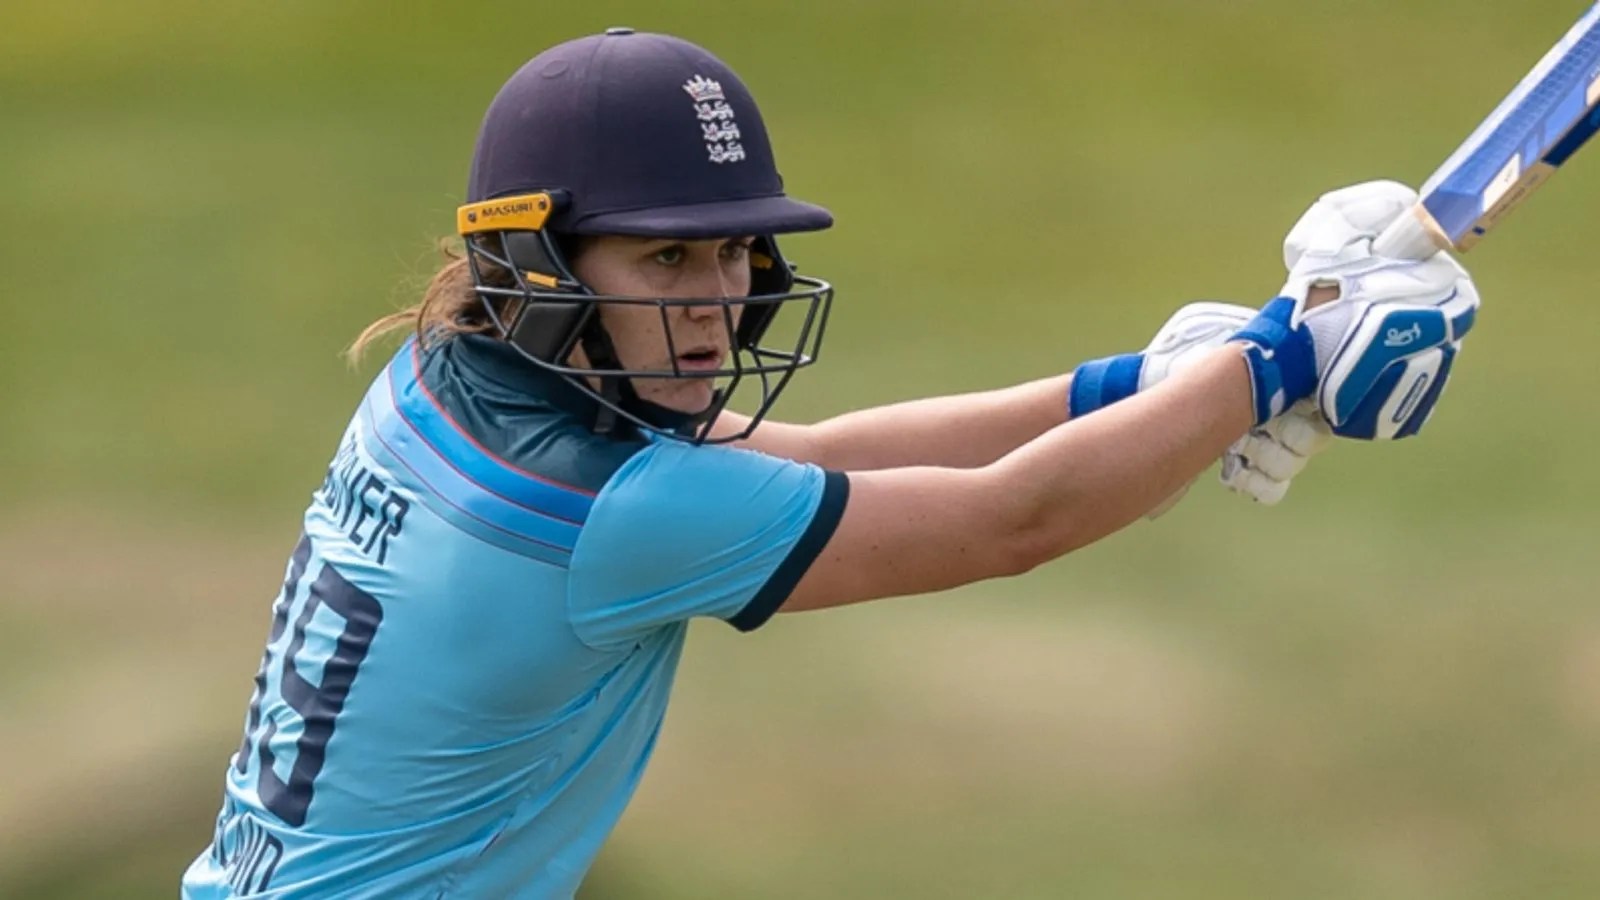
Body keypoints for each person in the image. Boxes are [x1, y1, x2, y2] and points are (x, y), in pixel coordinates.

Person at [182, 28, 1479, 899]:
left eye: (732, 252)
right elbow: (1010, 520)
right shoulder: (606, 510)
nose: (717, 298)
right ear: (542, 265)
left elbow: (816, 456)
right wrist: (1277, 366)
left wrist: (1140, 386)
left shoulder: (443, 380)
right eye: (667, 258)